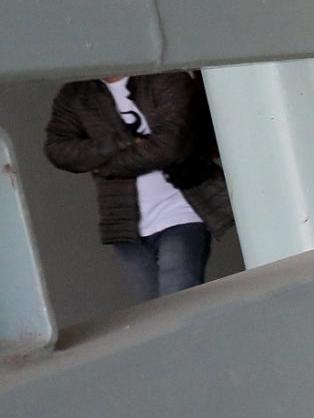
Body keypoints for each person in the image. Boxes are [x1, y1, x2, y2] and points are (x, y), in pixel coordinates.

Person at [43, 70, 233, 301]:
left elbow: (169, 147)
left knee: (179, 302)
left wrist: (106, 168)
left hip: (182, 211)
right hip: (123, 221)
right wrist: (124, 141)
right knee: (151, 311)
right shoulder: (75, 93)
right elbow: (58, 151)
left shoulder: (163, 77)